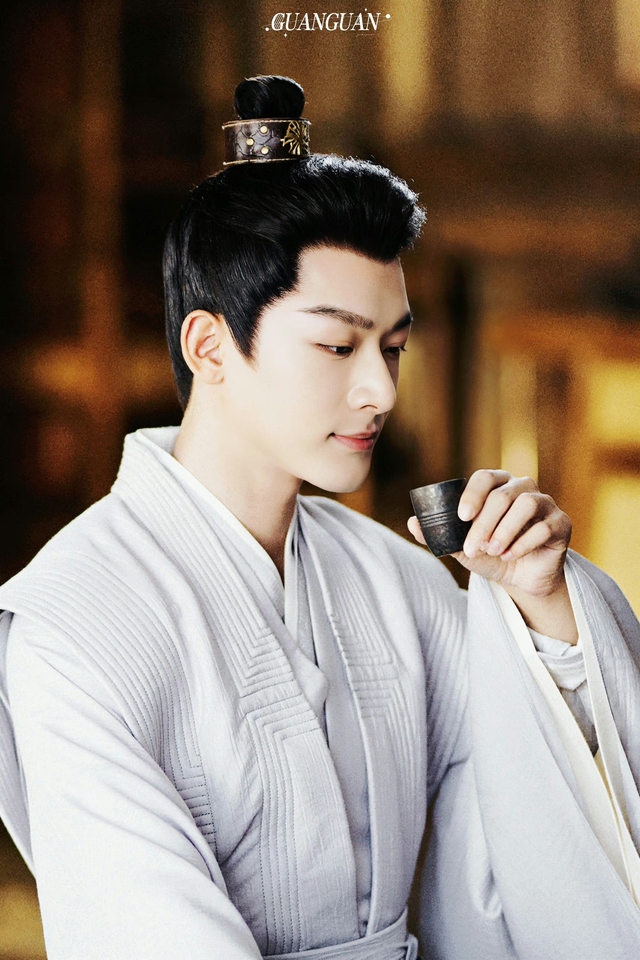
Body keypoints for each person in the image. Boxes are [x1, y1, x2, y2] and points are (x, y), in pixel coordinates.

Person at [0, 74, 638, 960]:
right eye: (338, 345)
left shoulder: (399, 581)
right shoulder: (72, 624)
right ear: (209, 346)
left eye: (393, 348)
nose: (380, 389)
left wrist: (539, 605)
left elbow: (535, 815)